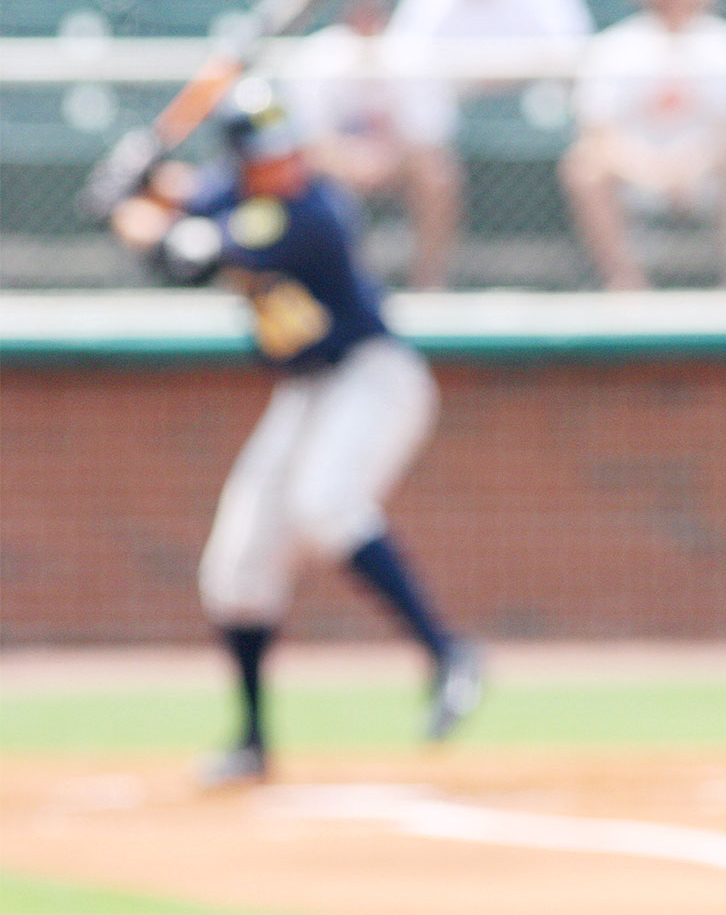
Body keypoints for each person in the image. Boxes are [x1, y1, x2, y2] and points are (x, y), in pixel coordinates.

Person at [109, 79, 484, 788]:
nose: (284, 164)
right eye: (266, 154)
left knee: (325, 505)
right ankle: (252, 741)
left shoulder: (310, 212)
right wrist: (137, 180)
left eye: (287, 151)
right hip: (307, 390)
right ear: (244, 158)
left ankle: (448, 654)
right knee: (236, 566)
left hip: (372, 378)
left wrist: (130, 210)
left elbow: (183, 258)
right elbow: (177, 199)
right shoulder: (232, 191)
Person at [384, 0, 594, 287]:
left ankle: (600, 279)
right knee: (429, 156)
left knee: (589, 157)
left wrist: (503, 71)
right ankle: (429, 281)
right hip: (457, 109)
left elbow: (570, 46)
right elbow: (405, 58)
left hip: (539, 97)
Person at [559, 0, 726, 290]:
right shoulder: (614, 47)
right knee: (583, 169)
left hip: (703, 174)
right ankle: (625, 283)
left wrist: (687, 168)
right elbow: (597, 134)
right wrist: (652, 170)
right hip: (633, 173)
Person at [280, 0, 462, 291]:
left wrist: (382, 158)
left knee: (438, 174)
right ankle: (339, 284)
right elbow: (308, 141)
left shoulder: (413, 55)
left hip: (398, 161)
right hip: (337, 166)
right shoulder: (316, 57)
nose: (367, 22)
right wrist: (353, 161)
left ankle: (429, 283)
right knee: (305, 175)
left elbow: (430, 138)